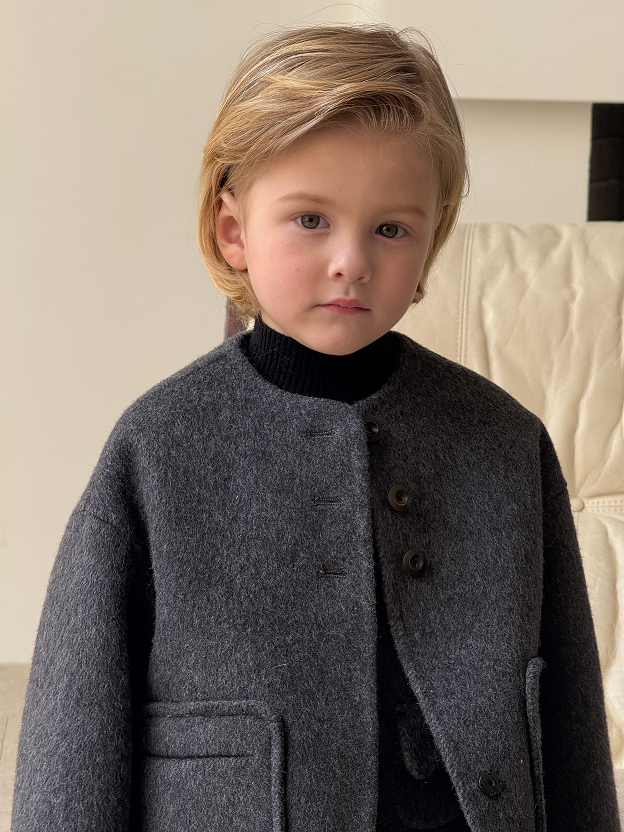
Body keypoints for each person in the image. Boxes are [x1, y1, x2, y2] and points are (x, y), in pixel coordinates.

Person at [11, 23, 620, 832]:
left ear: (431, 239)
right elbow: (72, 737)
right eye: (309, 219)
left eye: (391, 228)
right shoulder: (157, 448)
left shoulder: (504, 443)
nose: (351, 261)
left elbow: (572, 726)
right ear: (233, 230)